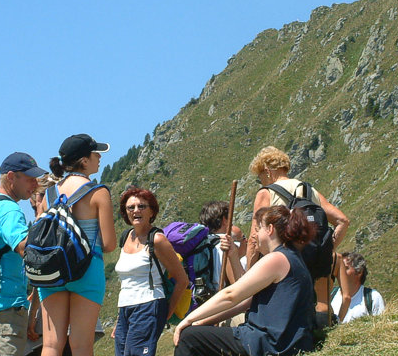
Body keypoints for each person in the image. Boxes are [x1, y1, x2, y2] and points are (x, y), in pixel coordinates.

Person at [173, 206, 316, 356]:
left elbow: (231, 294)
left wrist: (188, 320)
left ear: (270, 229)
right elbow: (245, 303)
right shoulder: (292, 256)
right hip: (283, 342)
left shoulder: (276, 259)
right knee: (195, 334)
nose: (255, 235)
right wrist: (201, 322)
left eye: (259, 228)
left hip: (268, 342)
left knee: (188, 338)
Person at [245, 146, 351, 327]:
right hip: (313, 261)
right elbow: (342, 221)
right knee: (318, 306)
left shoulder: (266, 193)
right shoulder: (309, 191)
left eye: (260, 176)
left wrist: (250, 272)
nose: (261, 181)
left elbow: (255, 238)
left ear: (268, 171)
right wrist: (325, 249)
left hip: (281, 264)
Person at [37, 134, 117, 356]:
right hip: (87, 269)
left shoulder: (49, 195)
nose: (99, 157)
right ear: (84, 160)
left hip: (53, 271)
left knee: (51, 345)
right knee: (81, 345)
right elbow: (109, 244)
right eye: (95, 153)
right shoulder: (98, 192)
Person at [0, 152, 47, 356]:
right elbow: (26, 249)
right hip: (6, 306)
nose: (35, 184)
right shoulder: (8, 209)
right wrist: (44, 219)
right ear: (11, 177)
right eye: (29, 178)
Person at [113, 188, 189, 356]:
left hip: (149, 305)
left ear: (152, 211)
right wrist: (120, 319)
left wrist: (167, 313)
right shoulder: (125, 237)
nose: (136, 211)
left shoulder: (157, 239)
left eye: (141, 206)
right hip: (126, 308)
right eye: (130, 208)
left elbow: (182, 280)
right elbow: (127, 283)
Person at [197, 200, 247, 287]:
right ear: (224, 220)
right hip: (224, 296)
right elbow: (237, 284)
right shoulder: (227, 245)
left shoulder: (202, 244)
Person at [331, 252, 385, 324]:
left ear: (359, 272)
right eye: (339, 268)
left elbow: (381, 326)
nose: (340, 272)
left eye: (345, 268)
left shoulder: (373, 297)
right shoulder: (330, 295)